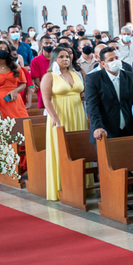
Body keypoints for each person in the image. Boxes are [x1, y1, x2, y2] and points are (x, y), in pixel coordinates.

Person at [41, 46, 89, 201]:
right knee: (61, 147)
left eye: (68, 56)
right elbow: (46, 99)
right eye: (61, 56)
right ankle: (61, 185)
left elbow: (81, 92)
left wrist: (83, 97)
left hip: (77, 114)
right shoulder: (49, 76)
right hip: (60, 114)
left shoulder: (76, 74)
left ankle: (81, 185)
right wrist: (54, 117)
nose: (66, 59)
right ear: (55, 58)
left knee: (79, 147)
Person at [86, 47, 133, 141]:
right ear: (103, 64)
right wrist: (98, 126)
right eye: (111, 60)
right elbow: (92, 105)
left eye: (117, 58)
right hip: (104, 130)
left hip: (127, 128)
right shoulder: (93, 79)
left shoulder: (129, 77)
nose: (115, 61)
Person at [0, 40, 30, 119]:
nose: (3, 51)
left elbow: (23, 83)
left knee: (22, 124)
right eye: (0, 49)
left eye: (6, 49)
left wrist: (15, 91)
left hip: (15, 100)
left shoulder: (15, 66)